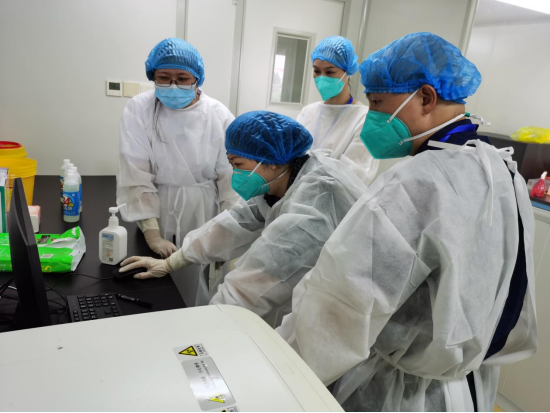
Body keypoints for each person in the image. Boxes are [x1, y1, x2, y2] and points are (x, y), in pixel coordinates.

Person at [277, 32, 537, 411]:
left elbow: (342, 305)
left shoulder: (417, 182)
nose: (372, 115)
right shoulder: (501, 169)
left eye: (378, 102)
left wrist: (282, 372)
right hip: (467, 387)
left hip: (399, 393)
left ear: (426, 98)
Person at [120, 111, 367, 326]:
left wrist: (205, 326)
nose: (235, 174)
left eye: (239, 164)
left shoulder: (314, 199)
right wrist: (171, 263)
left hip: (354, 308)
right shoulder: (282, 178)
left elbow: (256, 279)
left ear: (272, 161)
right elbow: (233, 224)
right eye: (231, 164)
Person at [116, 38, 239, 306]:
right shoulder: (139, 108)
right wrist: (152, 233)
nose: (173, 85)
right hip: (156, 207)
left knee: (199, 281)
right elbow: (135, 172)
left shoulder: (218, 115)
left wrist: (226, 236)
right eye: (164, 78)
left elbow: (231, 180)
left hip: (204, 209)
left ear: (197, 79)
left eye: (182, 78)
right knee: (158, 284)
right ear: (152, 76)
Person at [297, 36, 379, 184]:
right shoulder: (308, 112)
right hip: (295, 192)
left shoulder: (364, 118)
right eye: (316, 71)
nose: (322, 78)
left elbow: (353, 177)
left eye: (329, 72)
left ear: (347, 72)